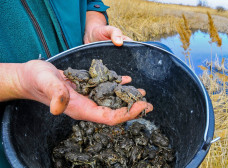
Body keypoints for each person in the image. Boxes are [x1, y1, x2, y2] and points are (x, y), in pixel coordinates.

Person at [0, 0, 153, 166]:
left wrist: (92, 27)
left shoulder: (100, 81)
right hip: (12, 121)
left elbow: (89, 3)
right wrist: (17, 79)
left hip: (82, 78)